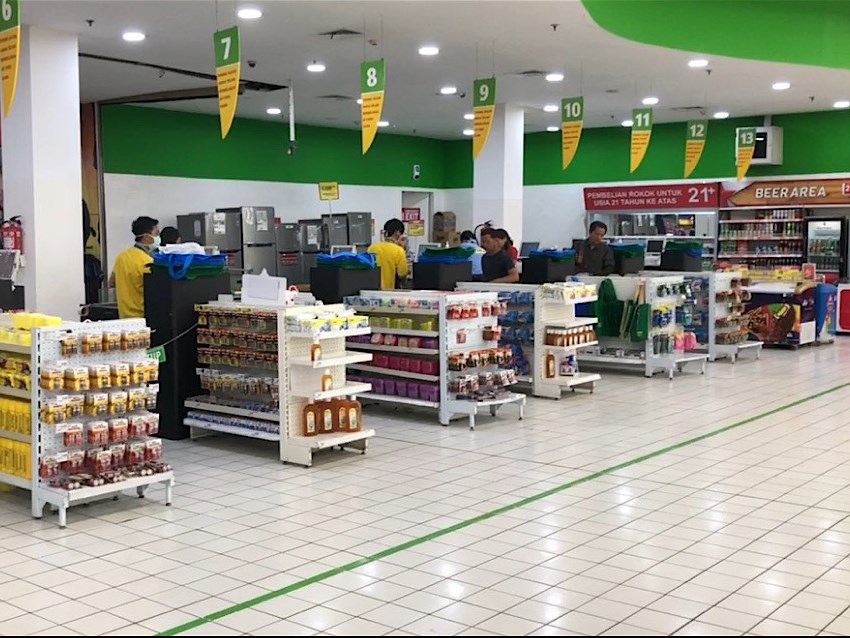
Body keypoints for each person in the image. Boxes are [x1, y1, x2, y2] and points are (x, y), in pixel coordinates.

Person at [109, 216, 159, 318]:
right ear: (146, 237)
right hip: (142, 318)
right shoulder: (148, 262)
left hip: (123, 317)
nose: (158, 237)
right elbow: (156, 292)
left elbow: (111, 283)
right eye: (156, 233)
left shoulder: (121, 257)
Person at [368, 219, 409, 290]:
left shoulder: (372, 248)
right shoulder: (399, 251)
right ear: (397, 233)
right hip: (388, 292)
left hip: (372, 291)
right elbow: (402, 275)